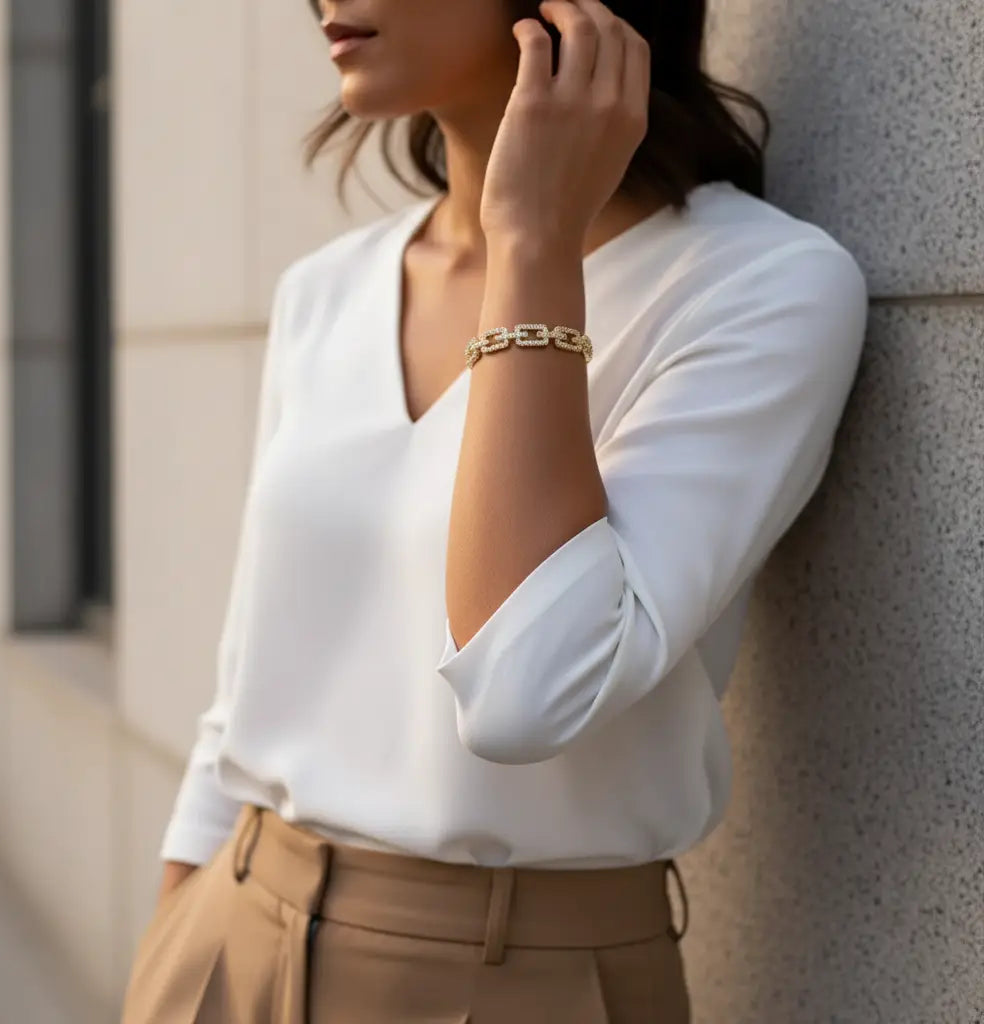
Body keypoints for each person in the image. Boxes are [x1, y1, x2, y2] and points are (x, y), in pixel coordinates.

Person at [120, 0, 868, 1020]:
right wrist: (168, 947)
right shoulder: (327, 290)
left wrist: (532, 246)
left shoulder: (758, 288)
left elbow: (527, 693)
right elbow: (249, 683)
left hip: (528, 977)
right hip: (230, 931)